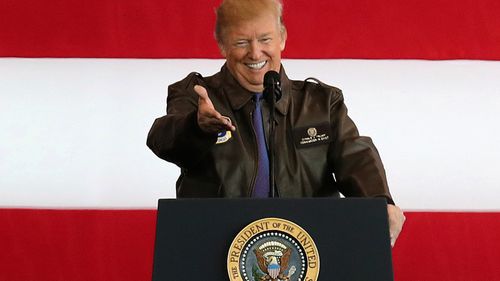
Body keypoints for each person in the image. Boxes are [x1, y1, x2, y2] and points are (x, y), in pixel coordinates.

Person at [147, 0, 404, 246]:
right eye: (241, 42)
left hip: (309, 252)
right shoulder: (197, 95)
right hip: (214, 250)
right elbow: (165, 141)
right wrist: (197, 127)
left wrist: (380, 203)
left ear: (282, 37)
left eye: (265, 39)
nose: (255, 52)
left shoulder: (322, 103)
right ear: (222, 45)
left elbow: (355, 155)